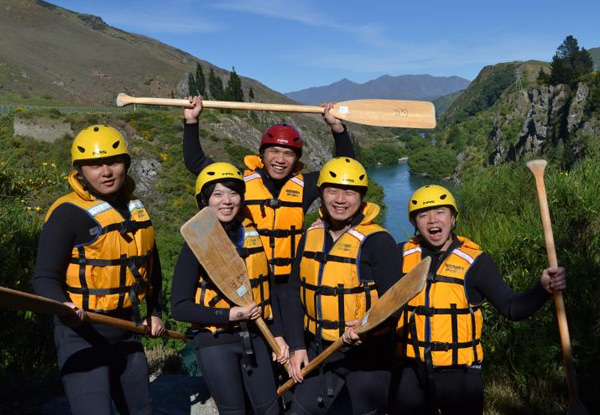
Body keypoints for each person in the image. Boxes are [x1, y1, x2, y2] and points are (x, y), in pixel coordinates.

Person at [388, 184, 567, 415]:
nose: (432, 220)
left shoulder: (476, 262)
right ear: (414, 222)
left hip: (460, 376)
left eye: (441, 212)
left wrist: (542, 290)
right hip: (411, 371)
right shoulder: (400, 254)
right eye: (423, 215)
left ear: (453, 218)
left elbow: (512, 308)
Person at [32, 125, 165, 415]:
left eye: (114, 162)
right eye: (94, 164)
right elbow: (44, 277)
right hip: (80, 330)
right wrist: (63, 305)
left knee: (140, 410)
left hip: (127, 328)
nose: (106, 171)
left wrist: (155, 311)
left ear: (126, 165)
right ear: (80, 170)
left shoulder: (136, 209)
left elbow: (152, 270)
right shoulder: (66, 213)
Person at [182, 96, 355, 316]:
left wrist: (337, 128)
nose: (280, 159)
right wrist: (191, 122)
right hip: (250, 279)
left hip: (291, 282)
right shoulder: (240, 180)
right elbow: (196, 163)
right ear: (262, 155)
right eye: (274, 151)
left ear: (296, 159)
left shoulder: (305, 186)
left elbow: (345, 167)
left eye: (288, 153)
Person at [284, 157, 402, 415]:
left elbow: (395, 304)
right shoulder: (310, 235)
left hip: (367, 356)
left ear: (362, 198)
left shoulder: (379, 242)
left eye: (349, 192)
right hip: (318, 350)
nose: (340, 199)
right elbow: (294, 292)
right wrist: (296, 346)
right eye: (332, 190)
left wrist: (368, 324)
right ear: (321, 194)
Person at [171, 162, 289, 415]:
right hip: (216, 341)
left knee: (270, 410)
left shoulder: (252, 234)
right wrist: (228, 315)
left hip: (257, 335)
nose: (227, 201)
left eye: (233, 193)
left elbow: (268, 291)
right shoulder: (195, 242)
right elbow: (179, 308)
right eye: (217, 194)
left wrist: (277, 333)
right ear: (204, 200)